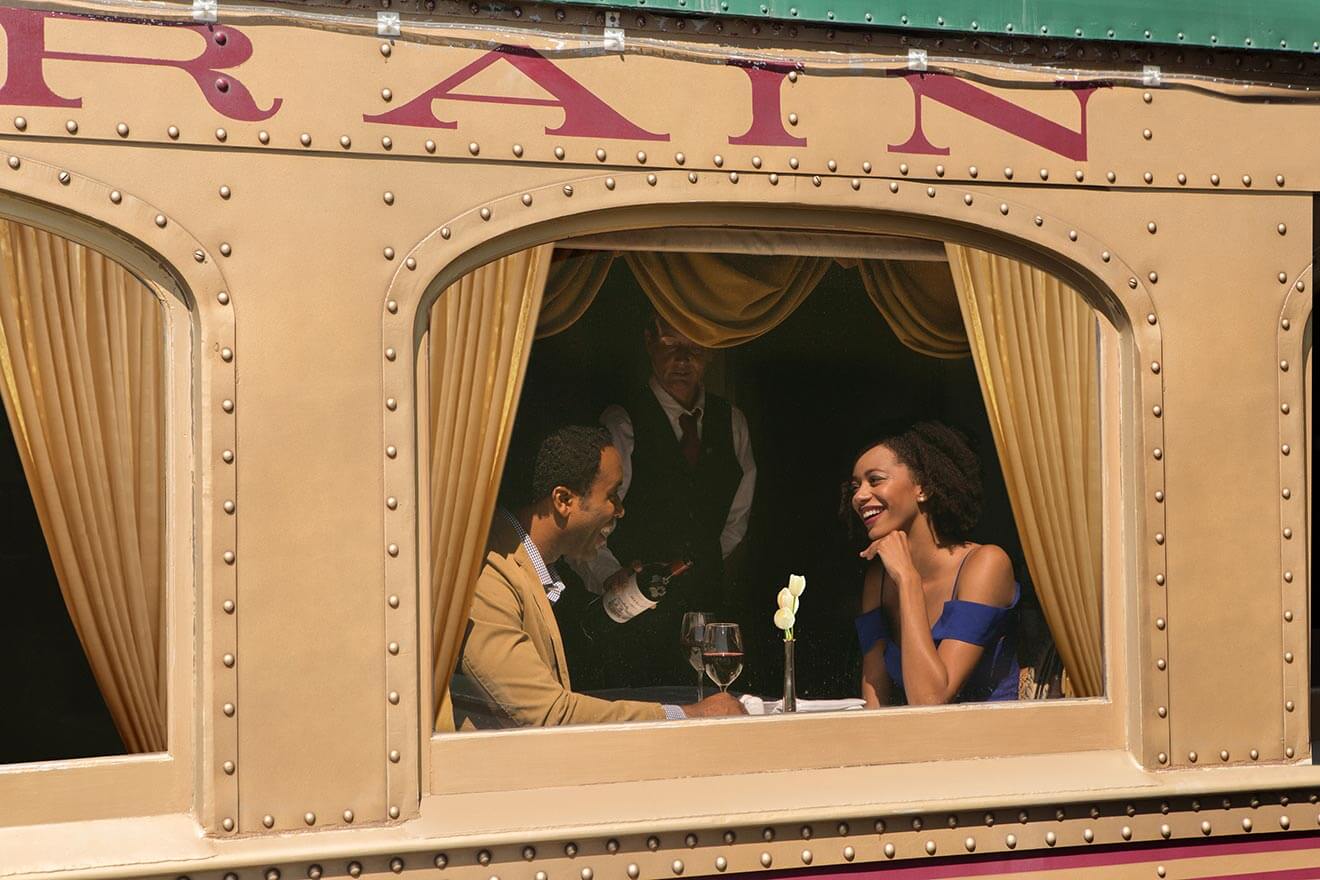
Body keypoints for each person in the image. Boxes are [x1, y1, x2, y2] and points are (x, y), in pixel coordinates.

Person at [447, 425, 745, 729]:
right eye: (612, 495)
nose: (621, 510)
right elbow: (548, 714)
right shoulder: (487, 573)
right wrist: (689, 715)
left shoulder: (534, 566)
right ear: (563, 500)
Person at [572, 314, 756, 689]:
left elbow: (736, 520)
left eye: (694, 348)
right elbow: (587, 520)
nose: (683, 360)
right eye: (671, 345)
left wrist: (698, 562)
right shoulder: (621, 422)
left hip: (705, 618)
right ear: (649, 342)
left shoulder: (731, 422)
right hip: (634, 619)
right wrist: (611, 576)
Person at [846, 422, 1019, 706]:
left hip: (991, 742)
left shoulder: (985, 564)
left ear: (923, 488)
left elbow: (931, 700)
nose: (859, 496)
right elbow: (875, 694)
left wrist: (908, 580)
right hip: (914, 744)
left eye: (875, 480)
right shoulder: (878, 580)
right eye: (856, 486)